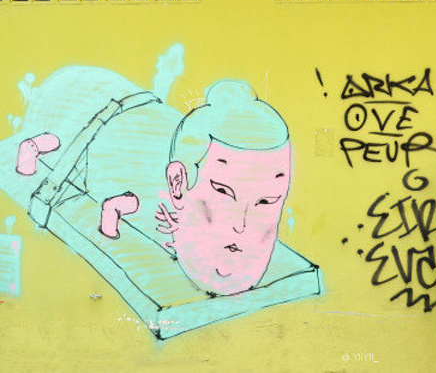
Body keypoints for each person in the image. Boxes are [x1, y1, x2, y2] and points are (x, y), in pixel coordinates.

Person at [12, 66, 291, 296]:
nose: (241, 225)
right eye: (223, 192)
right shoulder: (139, 191)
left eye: (267, 201)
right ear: (178, 183)